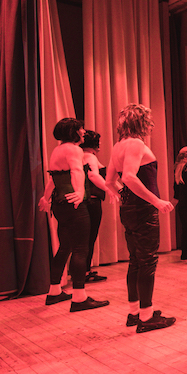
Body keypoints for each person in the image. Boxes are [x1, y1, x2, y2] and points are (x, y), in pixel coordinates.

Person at [105, 104, 176, 333]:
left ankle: (135, 312)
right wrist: (156, 201)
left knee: (136, 260)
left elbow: (109, 181)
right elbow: (129, 177)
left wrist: (123, 195)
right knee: (147, 261)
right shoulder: (136, 144)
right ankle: (146, 317)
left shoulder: (118, 146)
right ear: (142, 123)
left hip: (129, 208)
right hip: (143, 209)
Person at [37, 118, 109, 311]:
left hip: (59, 204)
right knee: (80, 249)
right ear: (73, 132)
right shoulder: (74, 150)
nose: (83, 132)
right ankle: (79, 298)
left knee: (65, 247)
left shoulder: (57, 150)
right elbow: (78, 171)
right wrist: (79, 192)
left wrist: (45, 198)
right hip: (74, 204)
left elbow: (52, 180)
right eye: (81, 129)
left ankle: (54, 292)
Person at [81, 130, 110, 282]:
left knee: (85, 238)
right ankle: (84, 272)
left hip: (86, 201)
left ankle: (83, 270)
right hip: (91, 202)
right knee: (89, 237)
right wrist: (112, 190)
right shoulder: (89, 156)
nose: (100, 144)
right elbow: (93, 176)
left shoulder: (81, 156)